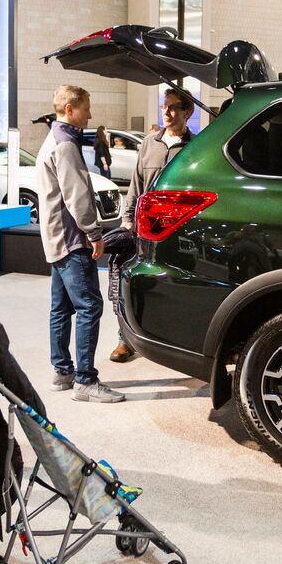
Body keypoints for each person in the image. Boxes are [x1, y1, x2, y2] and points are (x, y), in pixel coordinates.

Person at [35, 84, 124, 403]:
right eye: (87, 108)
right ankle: (86, 380)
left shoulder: (52, 138)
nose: (91, 114)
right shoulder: (65, 144)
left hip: (56, 239)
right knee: (89, 305)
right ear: (70, 109)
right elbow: (76, 195)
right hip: (72, 240)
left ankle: (63, 372)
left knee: (61, 307)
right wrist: (94, 233)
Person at [111, 88, 195, 362]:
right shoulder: (149, 143)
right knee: (132, 284)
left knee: (174, 287)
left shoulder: (195, 146)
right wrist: (127, 219)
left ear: (187, 112)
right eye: (164, 106)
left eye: (173, 108)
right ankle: (125, 340)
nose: (167, 113)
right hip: (144, 230)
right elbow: (136, 184)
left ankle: (171, 343)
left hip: (178, 231)